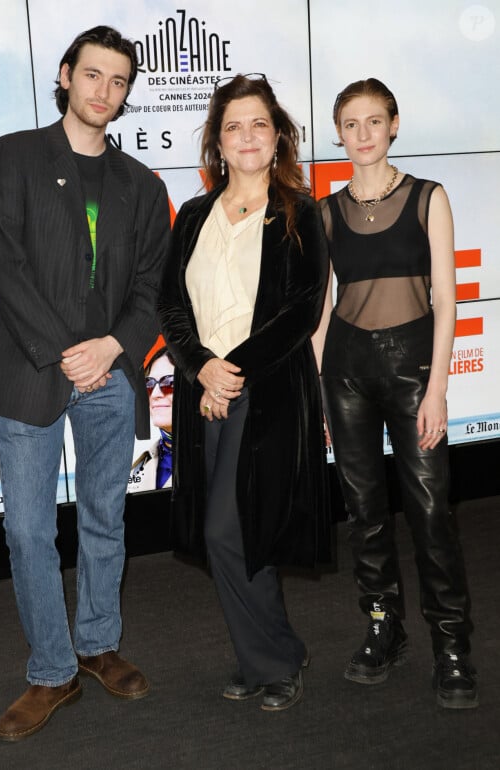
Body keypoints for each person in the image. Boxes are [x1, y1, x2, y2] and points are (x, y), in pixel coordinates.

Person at [0, 25, 170, 740]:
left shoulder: (142, 186)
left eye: (118, 82)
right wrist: (68, 353)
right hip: (32, 367)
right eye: (92, 76)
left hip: (112, 375)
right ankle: (51, 672)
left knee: (103, 520)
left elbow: (152, 288)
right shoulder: (15, 156)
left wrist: (113, 347)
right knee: (29, 531)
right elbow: (5, 267)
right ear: (65, 75)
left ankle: (96, 644)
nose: (104, 92)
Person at [158, 74, 331, 712]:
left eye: (259, 123)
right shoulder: (195, 213)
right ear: (218, 142)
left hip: (268, 392)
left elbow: (300, 310)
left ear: (278, 135)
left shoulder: (299, 213)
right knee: (221, 530)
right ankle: (269, 652)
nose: (248, 136)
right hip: (202, 392)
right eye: (234, 126)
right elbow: (170, 303)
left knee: (236, 528)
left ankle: (277, 659)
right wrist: (201, 367)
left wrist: (230, 370)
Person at [311, 78, 478, 709]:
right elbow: (320, 307)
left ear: (394, 125)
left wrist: (437, 389)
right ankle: (385, 628)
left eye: (373, 122)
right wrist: (326, 379)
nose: (362, 135)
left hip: (414, 374)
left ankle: (453, 644)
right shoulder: (325, 212)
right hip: (346, 375)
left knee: (433, 512)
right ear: (339, 132)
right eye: (350, 124)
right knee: (364, 514)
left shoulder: (429, 198)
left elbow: (446, 300)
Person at [129, 347, 175, 491]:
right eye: (148, 384)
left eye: (168, 383)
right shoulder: (137, 467)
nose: (155, 394)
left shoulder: (219, 455)